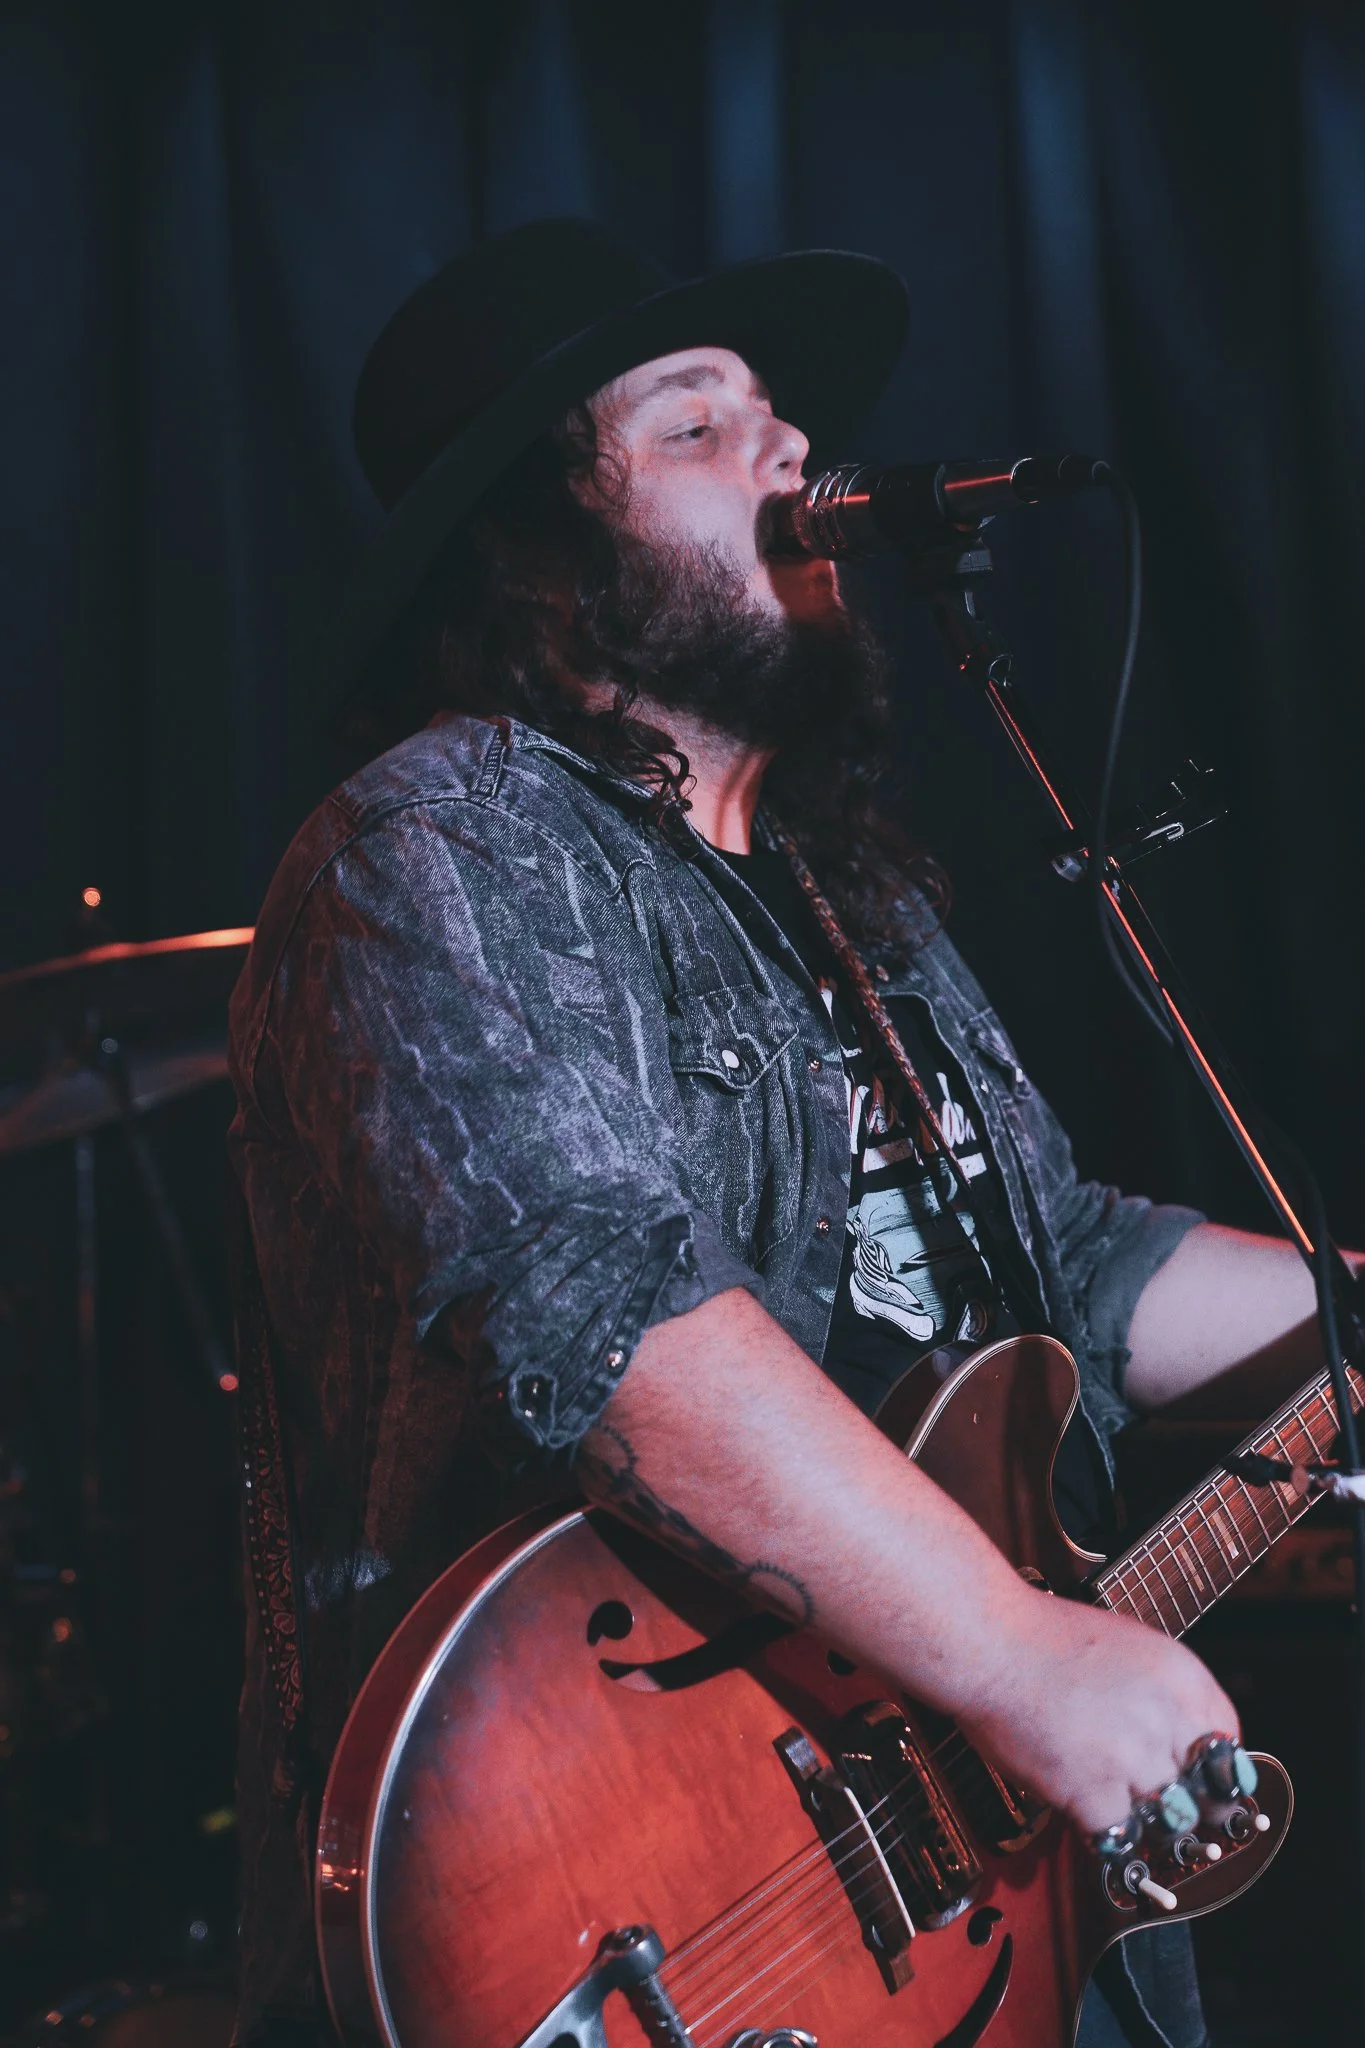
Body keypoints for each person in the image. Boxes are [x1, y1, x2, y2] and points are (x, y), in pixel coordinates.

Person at [228, 220, 1336, 2048]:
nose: (794, 448)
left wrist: (1343, 1316)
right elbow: (605, 1318)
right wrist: (1018, 1652)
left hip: (996, 1881)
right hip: (637, 1876)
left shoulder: (849, 899)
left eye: (777, 410)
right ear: (538, 549)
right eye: (695, 421)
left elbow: (1071, 1260)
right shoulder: (438, 847)